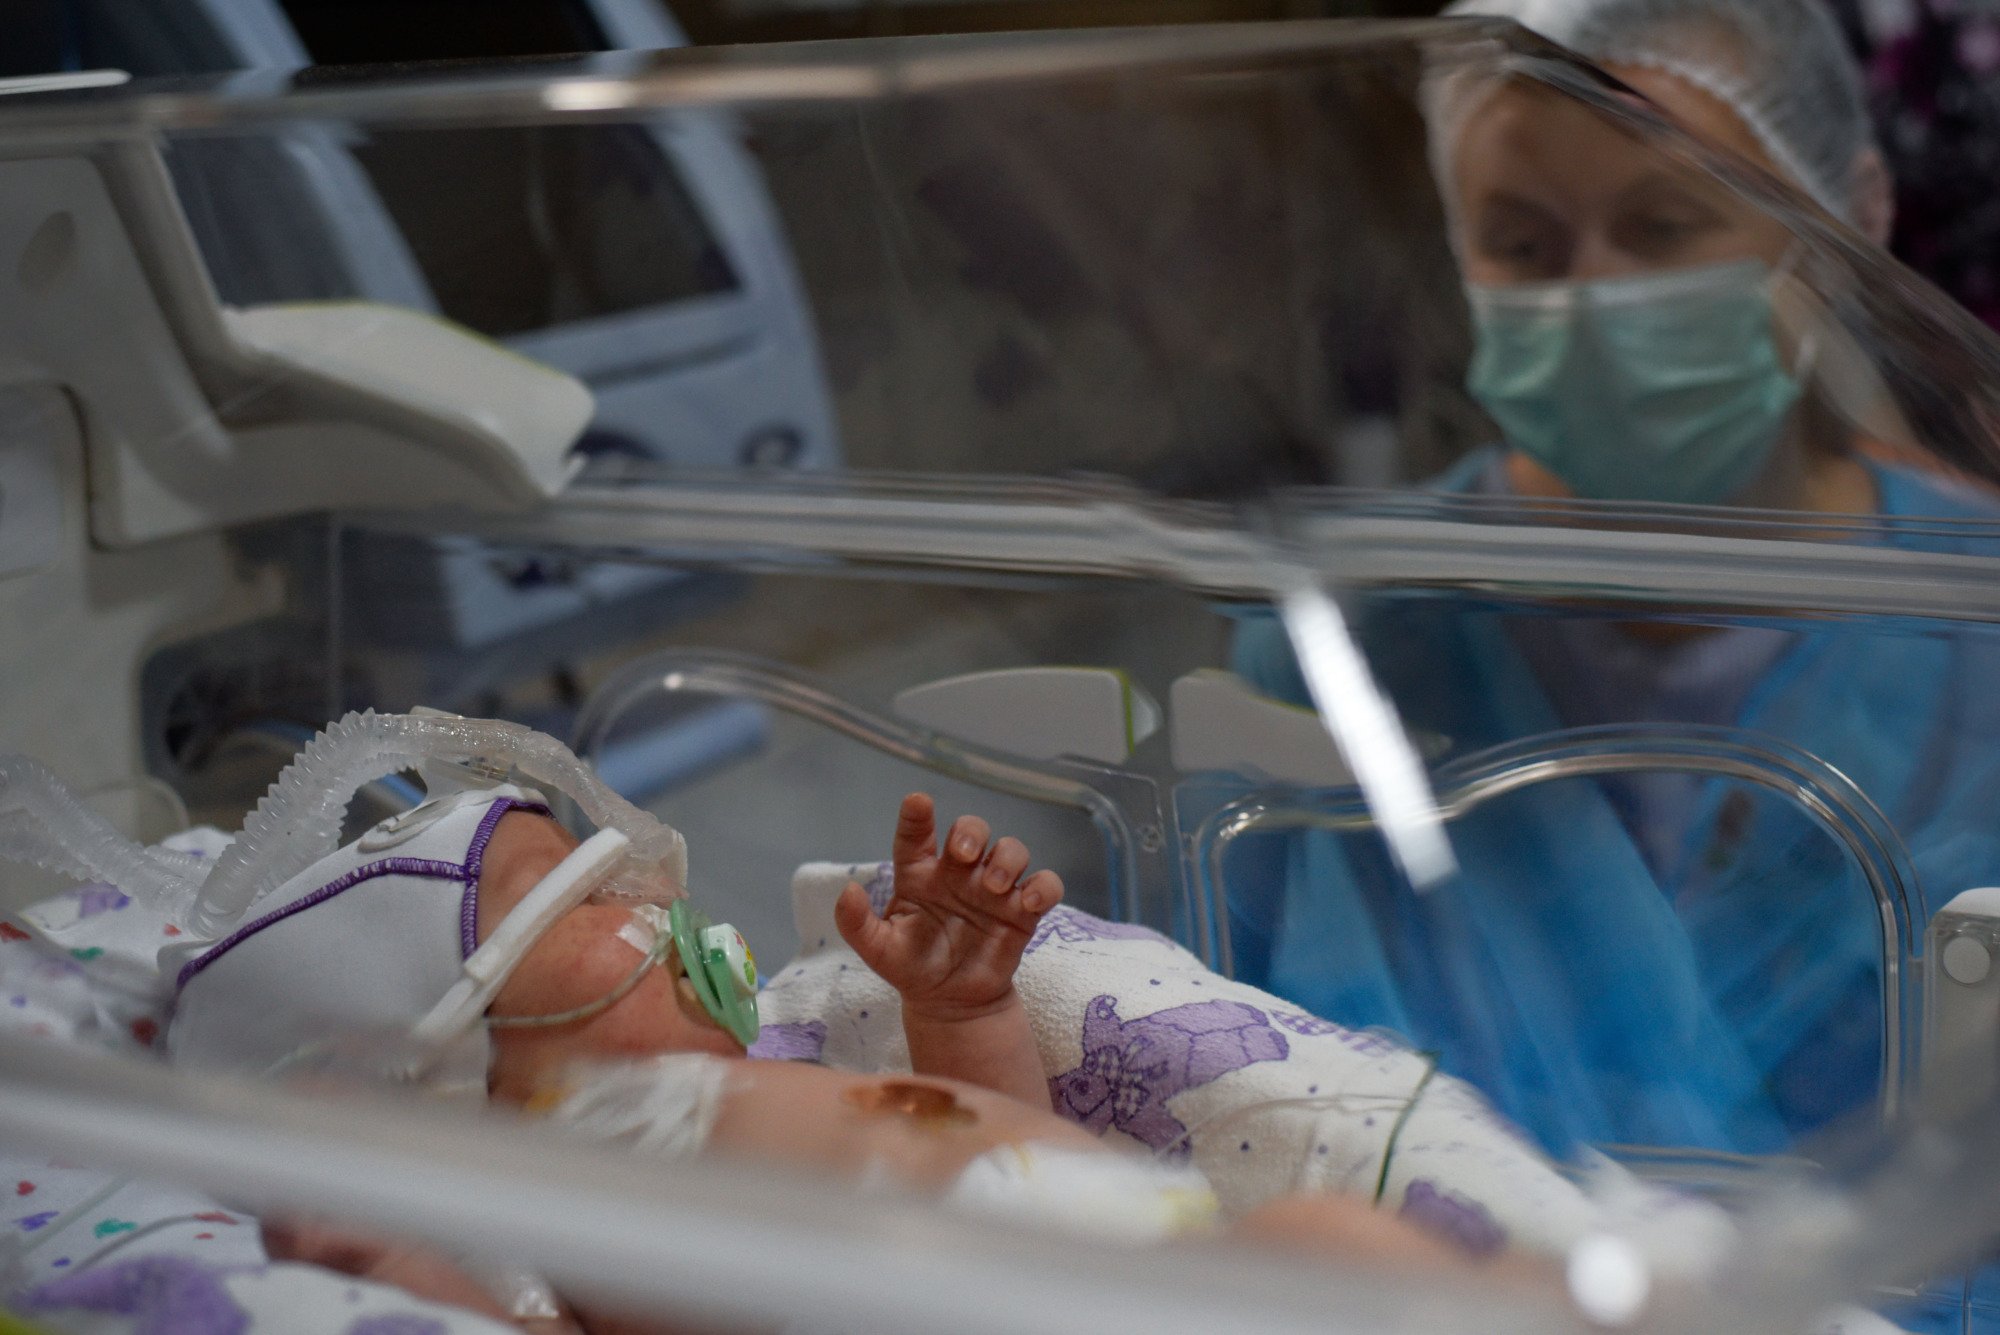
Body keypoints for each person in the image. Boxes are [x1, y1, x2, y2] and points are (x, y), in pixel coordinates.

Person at [1228, 0, 2000, 1156]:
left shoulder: (1972, 621)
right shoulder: (1343, 639)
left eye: (1660, 225)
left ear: (1848, 220)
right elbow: (1203, 1069)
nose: (1587, 297)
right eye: (1520, 244)